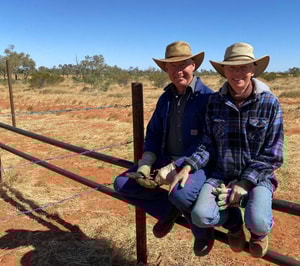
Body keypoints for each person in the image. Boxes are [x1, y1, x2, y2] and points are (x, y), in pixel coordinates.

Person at [171, 42, 284, 258]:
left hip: (257, 177)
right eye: (232, 68)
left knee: (258, 222)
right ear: (224, 71)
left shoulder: (270, 103)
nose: (237, 73)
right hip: (221, 174)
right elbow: (207, 144)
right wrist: (188, 165)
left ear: (253, 69)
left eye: (243, 67)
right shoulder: (215, 102)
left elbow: (274, 153)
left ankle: (259, 234)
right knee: (200, 216)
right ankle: (234, 224)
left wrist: (244, 182)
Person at [113, 41, 215, 256]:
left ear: (193, 65)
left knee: (180, 193)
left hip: (194, 163)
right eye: (172, 66)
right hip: (163, 158)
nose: (178, 71)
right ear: (166, 69)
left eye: (183, 64)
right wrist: (147, 162)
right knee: (122, 184)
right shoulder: (165, 98)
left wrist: (175, 166)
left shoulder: (208, 98)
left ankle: (203, 232)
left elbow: (208, 141)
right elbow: (154, 133)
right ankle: (168, 210)